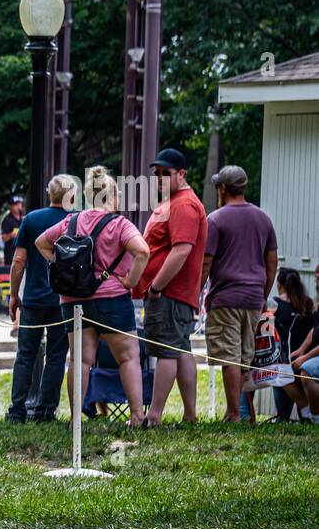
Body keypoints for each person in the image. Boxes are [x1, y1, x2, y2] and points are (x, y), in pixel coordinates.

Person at [37, 166, 152, 428]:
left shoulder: (71, 222)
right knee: (128, 357)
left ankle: (76, 419)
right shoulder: (119, 224)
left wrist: (61, 265)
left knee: (80, 360)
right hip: (112, 298)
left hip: (73, 300)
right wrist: (130, 281)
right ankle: (136, 416)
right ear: (112, 196)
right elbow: (143, 251)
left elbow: (41, 242)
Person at [134, 147, 207, 426]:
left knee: (166, 351)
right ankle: (190, 414)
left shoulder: (183, 205)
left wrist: (155, 286)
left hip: (170, 294)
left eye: (167, 173)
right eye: (158, 174)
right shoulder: (173, 202)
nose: (160, 178)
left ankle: (154, 416)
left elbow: (181, 250)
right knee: (180, 349)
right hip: (174, 294)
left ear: (182, 174)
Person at [199, 165, 278, 422]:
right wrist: (262, 293)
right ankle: (244, 412)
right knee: (244, 356)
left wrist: (196, 292)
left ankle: (233, 413)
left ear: (222, 188)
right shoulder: (263, 219)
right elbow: (271, 263)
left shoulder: (217, 219)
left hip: (225, 298)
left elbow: (207, 262)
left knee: (229, 357)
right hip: (254, 297)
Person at [6, 175, 76, 423]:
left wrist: (14, 295)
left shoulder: (31, 219)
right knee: (57, 356)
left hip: (33, 300)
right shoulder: (75, 220)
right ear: (72, 196)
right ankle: (46, 411)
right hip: (63, 301)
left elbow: (19, 261)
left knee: (25, 355)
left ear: (49, 194)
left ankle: (17, 410)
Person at [273, 268, 317, 421]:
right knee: (284, 371)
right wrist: (303, 351)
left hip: (292, 359)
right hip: (303, 355)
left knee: (279, 372)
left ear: (279, 285)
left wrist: (303, 355)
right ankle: (304, 414)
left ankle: (300, 413)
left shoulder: (277, 304)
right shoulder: (309, 303)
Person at [0, 195, 25, 267]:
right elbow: (3, 238)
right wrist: (11, 235)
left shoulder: (23, 219)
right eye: (15, 204)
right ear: (10, 206)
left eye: (19, 203)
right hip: (11, 253)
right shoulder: (7, 220)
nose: (18, 206)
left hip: (22, 253)